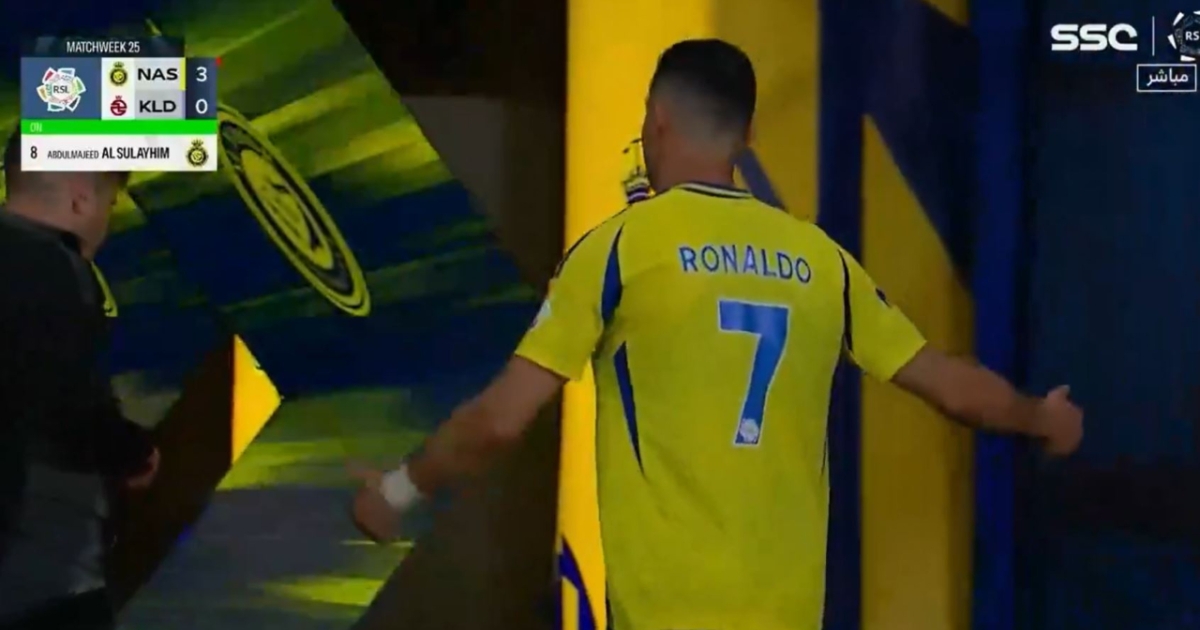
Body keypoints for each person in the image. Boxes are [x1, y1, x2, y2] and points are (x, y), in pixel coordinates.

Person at [348, 39, 1083, 629]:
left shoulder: (618, 252)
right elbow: (947, 382)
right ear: (748, 136)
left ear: (656, 121)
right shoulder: (822, 261)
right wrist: (1038, 417)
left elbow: (501, 420)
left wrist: (398, 492)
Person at [0, 131, 160, 630]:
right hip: (36, 573)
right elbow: (68, 401)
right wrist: (132, 452)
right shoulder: (52, 265)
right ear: (80, 198)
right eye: (109, 205)